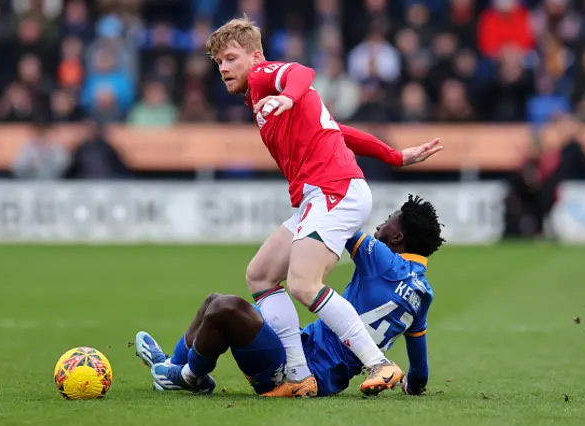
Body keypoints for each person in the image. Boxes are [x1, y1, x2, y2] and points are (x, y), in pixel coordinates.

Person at [200, 16, 443, 397]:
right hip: (323, 192)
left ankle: (379, 363)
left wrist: (286, 95)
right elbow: (336, 130)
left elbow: (301, 72)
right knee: (261, 275)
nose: (224, 68)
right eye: (219, 63)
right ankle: (299, 375)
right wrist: (394, 156)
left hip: (334, 189)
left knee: (303, 283)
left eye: (231, 58)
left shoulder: (268, 76)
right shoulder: (260, 97)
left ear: (255, 55)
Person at [135, 195, 445, 397]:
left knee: (225, 307)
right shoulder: (423, 294)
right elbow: (420, 374)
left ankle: (191, 377)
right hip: (309, 356)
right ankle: (171, 368)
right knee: (214, 301)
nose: (380, 224)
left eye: (389, 220)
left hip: (302, 372)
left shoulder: (381, 258)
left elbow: (340, 221)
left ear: (398, 236)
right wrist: (411, 384)